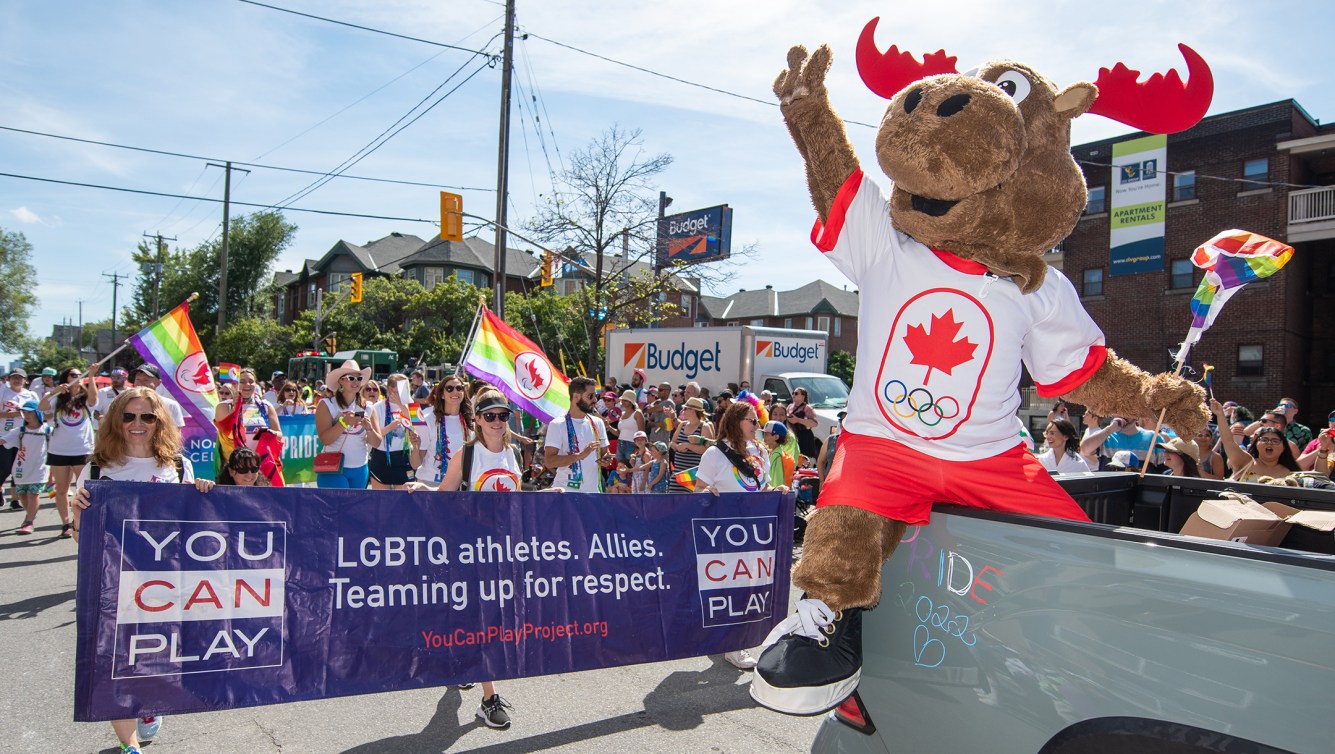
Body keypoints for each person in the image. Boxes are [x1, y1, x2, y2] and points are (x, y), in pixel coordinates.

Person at [71, 387, 214, 753]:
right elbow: (81, 539)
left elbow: (192, 529)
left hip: (163, 584)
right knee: (114, 660)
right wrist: (77, 514)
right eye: (129, 416)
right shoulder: (97, 468)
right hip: (112, 582)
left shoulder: (179, 466)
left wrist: (203, 494)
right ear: (116, 420)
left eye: (147, 417)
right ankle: (129, 745)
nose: (138, 424)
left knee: (155, 654)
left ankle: (147, 705)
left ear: (159, 422)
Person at [407, 389, 541, 730]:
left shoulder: (513, 453)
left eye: (503, 416)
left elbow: (513, 499)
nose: (497, 422)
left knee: (485, 620)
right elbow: (445, 497)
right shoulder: (467, 455)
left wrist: (543, 497)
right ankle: (488, 698)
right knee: (486, 621)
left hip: (504, 550)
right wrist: (424, 492)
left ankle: (464, 661)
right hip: (470, 552)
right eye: (490, 416)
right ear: (477, 420)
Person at [696, 400, 785, 670]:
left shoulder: (760, 450)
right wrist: (704, 493)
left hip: (755, 530)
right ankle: (733, 644)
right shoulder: (715, 454)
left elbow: (762, 486)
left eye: (757, 421)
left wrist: (774, 491)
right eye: (752, 421)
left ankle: (732, 639)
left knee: (750, 585)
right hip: (726, 531)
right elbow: (699, 488)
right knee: (731, 587)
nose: (757, 426)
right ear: (735, 421)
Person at [39, 365, 99, 538]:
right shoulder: (58, 397)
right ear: (66, 378)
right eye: (74, 374)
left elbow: (94, 401)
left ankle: (82, 521)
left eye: (81, 375)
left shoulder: (85, 396)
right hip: (59, 450)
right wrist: (54, 392)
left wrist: (92, 376)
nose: (78, 377)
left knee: (84, 489)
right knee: (61, 489)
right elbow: (41, 408)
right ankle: (66, 523)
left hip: (82, 449)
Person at [314, 360, 381, 489]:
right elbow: (325, 439)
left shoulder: (369, 407)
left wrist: (369, 429)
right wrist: (344, 423)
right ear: (341, 381)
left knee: (355, 509)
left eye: (359, 378)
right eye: (351, 378)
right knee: (338, 508)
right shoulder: (326, 404)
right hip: (333, 467)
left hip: (360, 468)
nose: (356, 382)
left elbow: (377, 442)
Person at [544, 376, 608, 493]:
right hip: (566, 492)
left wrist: (606, 460)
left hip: (593, 492)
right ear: (576, 397)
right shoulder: (557, 424)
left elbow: (604, 454)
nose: (595, 400)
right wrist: (580, 455)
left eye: (596, 396)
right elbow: (549, 462)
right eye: (590, 396)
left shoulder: (597, 423)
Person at [1212, 399, 1300, 481]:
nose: (1269, 443)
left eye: (1275, 441)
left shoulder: (1290, 473)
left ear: (1284, 447)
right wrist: (1220, 414)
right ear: (1256, 443)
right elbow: (1228, 440)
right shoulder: (1244, 462)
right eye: (1264, 439)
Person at [413, 374, 473, 487]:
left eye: (459, 388)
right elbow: (416, 464)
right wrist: (415, 446)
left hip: (460, 484)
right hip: (430, 482)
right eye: (449, 389)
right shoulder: (428, 418)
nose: (455, 392)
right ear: (442, 395)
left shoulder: (470, 421)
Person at [4, 400, 50, 534]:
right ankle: (30, 515)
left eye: (30, 412)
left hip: (40, 469)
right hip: (21, 469)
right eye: (24, 412)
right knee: (22, 495)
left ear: (37, 412)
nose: (27, 415)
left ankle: (28, 521)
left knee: (33, 494)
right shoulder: (19, 431)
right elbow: (3, 440)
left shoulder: (47, 430)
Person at [368, 373, 417, 490]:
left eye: (406, 386)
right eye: (401, 386)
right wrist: (389, 427)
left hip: (404, 457)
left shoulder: (413, 405)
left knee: (403, 500)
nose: (405, 389)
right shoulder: (377, 407)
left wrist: (401, 404)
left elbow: (419, 427)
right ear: (390, 388)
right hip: (382, 457)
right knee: (381, 500)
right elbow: (374, 435)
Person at [0, 367, 37, 509]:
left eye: (20, 377)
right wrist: (8, 415)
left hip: (25, 436)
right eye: (14, 377)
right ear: (9, 379)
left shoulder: (31, 395)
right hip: (5, 436)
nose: (17, 380)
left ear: (25, 380)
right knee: (5, 467)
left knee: (18, 469)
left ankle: (15, 501)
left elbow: (38, 413)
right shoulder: (3, 392)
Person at [668, 397, 714, 493]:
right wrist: (677, 447)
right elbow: (672, 443)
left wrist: (688, 446)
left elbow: (708, 450)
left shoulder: (704, 426)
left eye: (685, 409)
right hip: (678, 475)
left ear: (694, 410)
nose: (683, 411)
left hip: (694, 476)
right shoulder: (682, 425)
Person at [1079, 416, 1157, 462]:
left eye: (1127, 410)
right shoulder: (1105, 437)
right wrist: (1110, 429)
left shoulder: (1153, 437)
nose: (1123, 415)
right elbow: (1084, 449)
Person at [785, 387, 821, 461]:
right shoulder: (789, 407)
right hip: (792, 435)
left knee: (804, 460)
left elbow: (814, 423)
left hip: (804, 436)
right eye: (793, 393)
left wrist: (797, 420)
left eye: (796, 393)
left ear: (803, 396)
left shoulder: (807, 408)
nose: (793, 395)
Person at [762, 421, 796, 489]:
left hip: (773, 496)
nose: (764, 437)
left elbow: (777, 481)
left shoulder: (777, 456)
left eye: (766, 434)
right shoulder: (772, 452)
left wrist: (774, 492)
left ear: (776, 437)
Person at [614, 390, 643, 465]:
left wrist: (638, 447)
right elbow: (618, 433)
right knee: (620, 470)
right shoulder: (622, 414)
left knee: (630, 468)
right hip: (620, 443)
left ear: (630, 401)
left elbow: (641, 432)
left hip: (632, 445)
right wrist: (608, 426)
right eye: (622, 400)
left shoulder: (637, 413)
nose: (622, 402)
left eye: (625, 400)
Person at [816, 411, 846, 484]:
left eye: (846, 420)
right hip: (829, 485)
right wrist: (822, 481)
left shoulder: (858, 441)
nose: (843, 423)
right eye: (841, 420)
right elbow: (820, 461)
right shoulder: (831, 440)